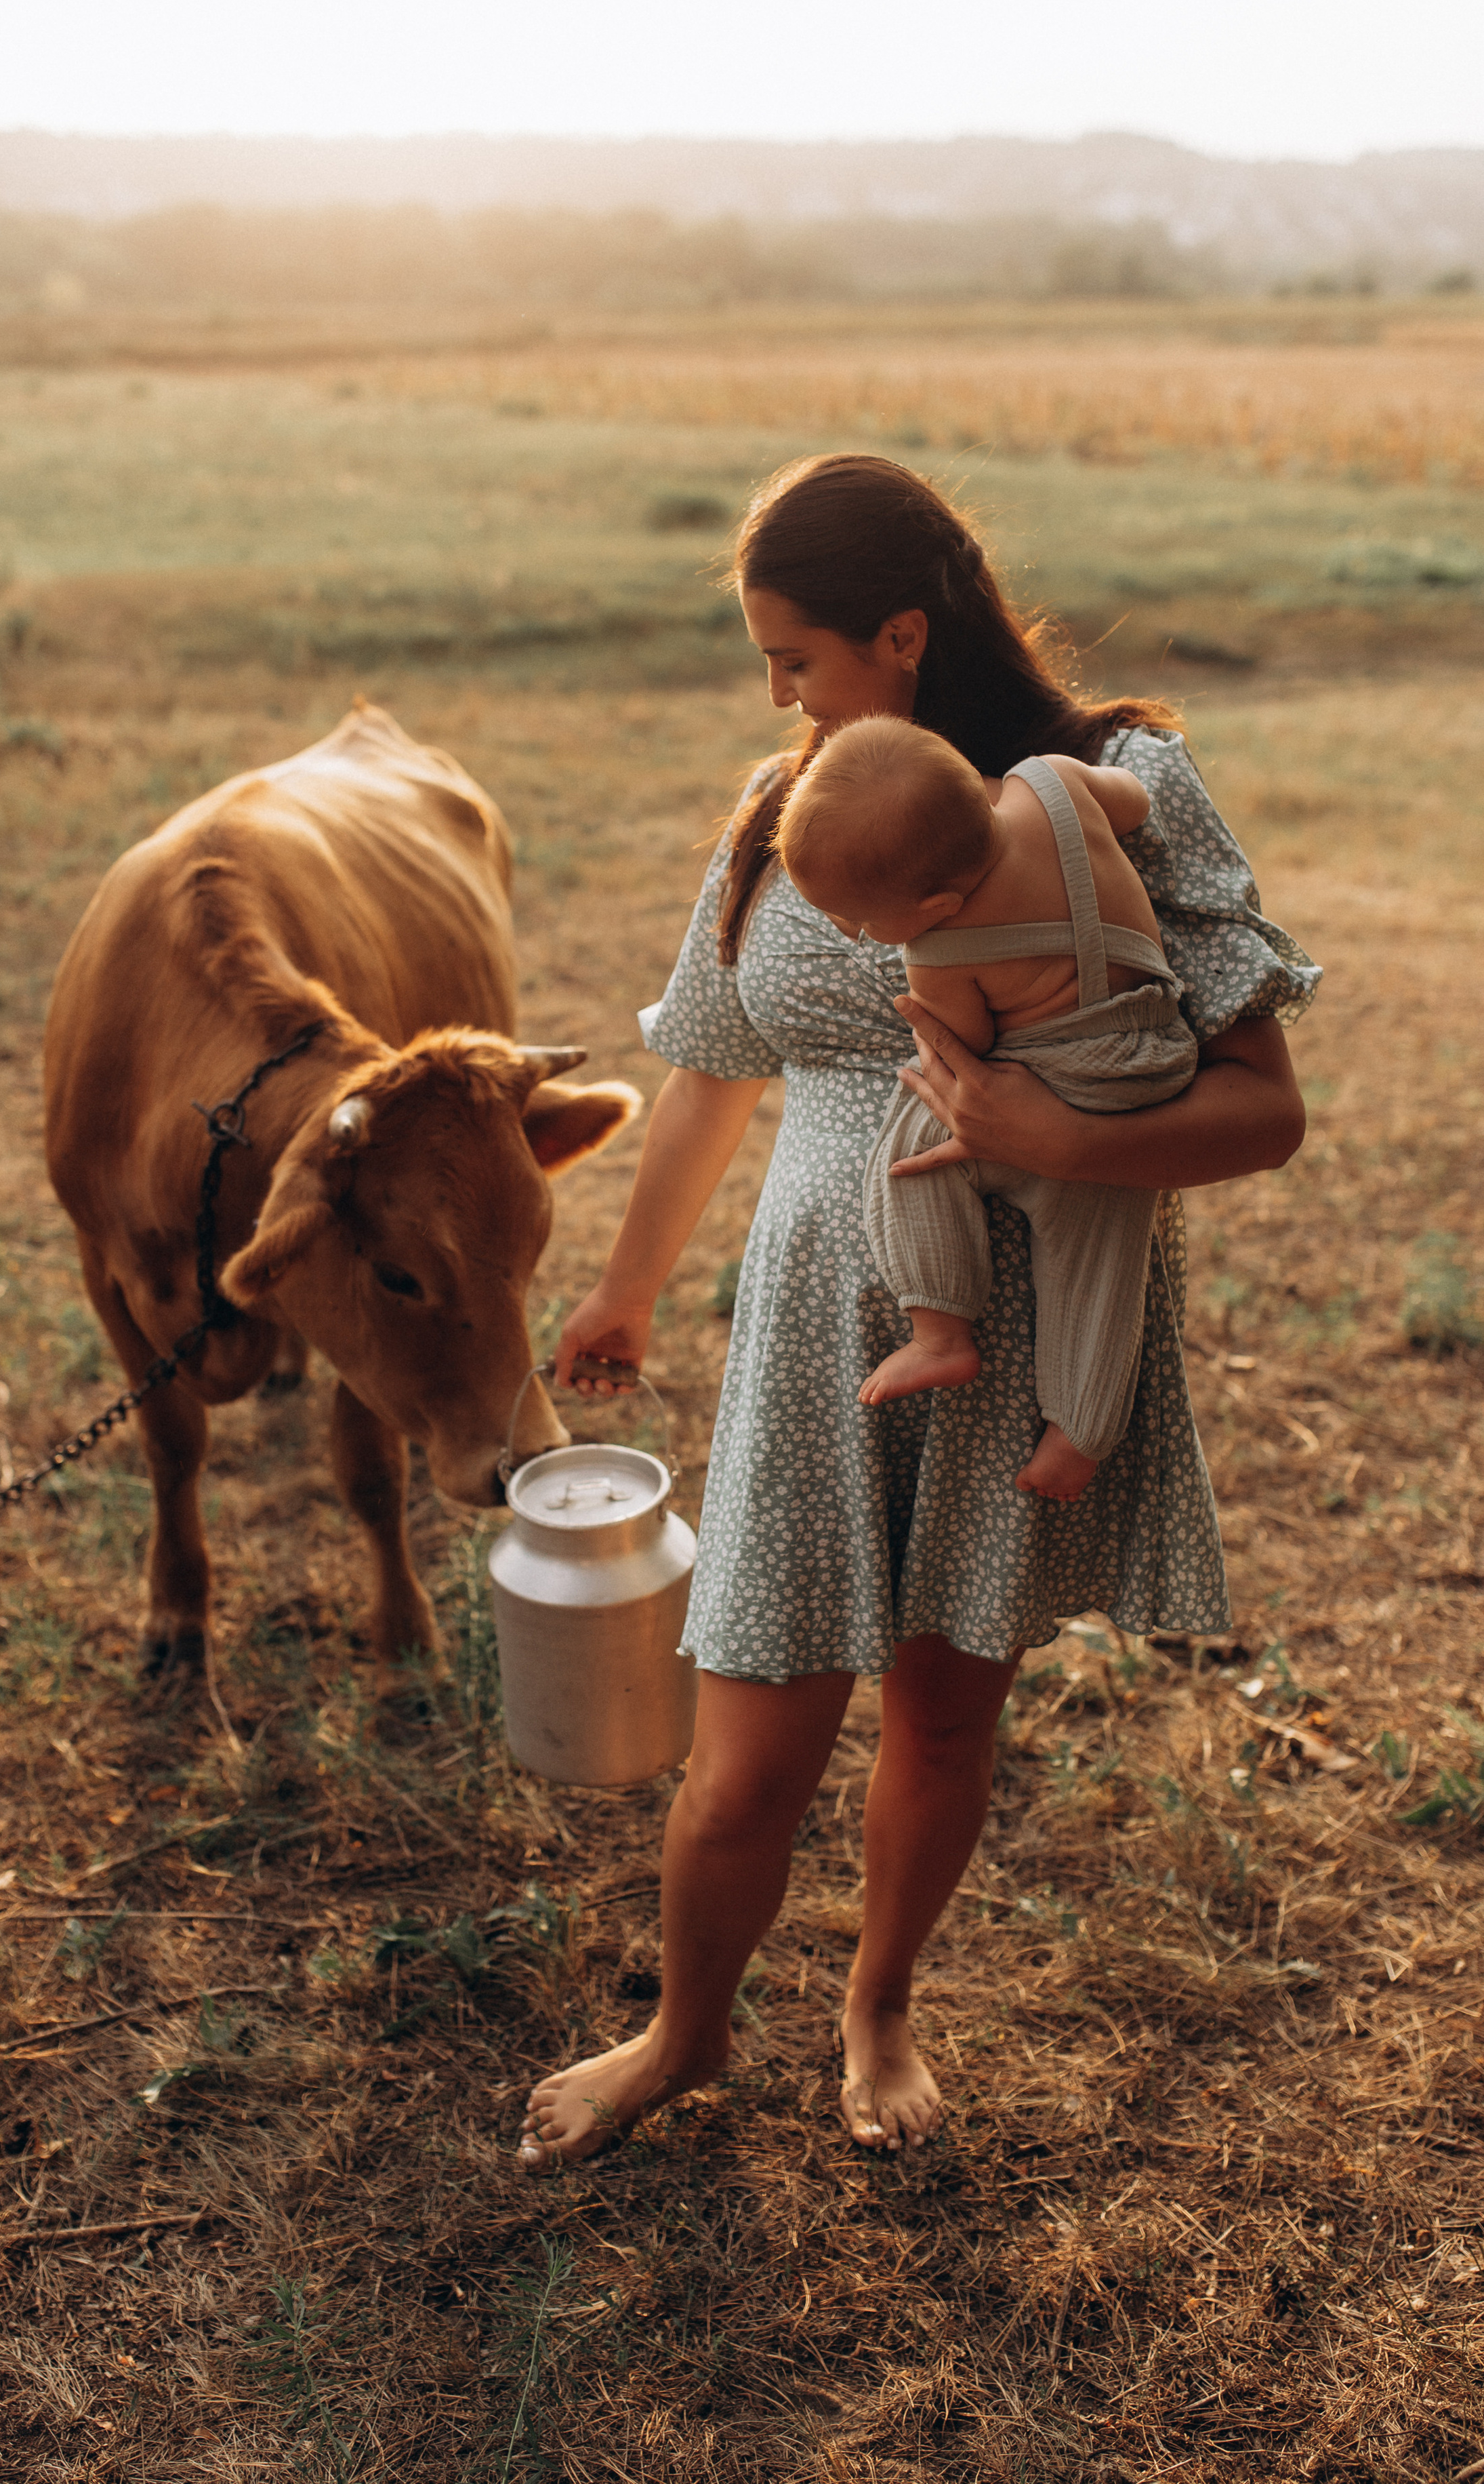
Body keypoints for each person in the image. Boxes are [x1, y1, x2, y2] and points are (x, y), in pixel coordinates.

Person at [518, 452, 1318, 2170]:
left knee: (945, 1709)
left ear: (898, 631)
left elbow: (1264, 1107)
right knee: (744, 1743)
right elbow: (707, 1074)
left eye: (792, 658)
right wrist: (624, 1284)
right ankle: (684, 2029)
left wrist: (1050, 1130)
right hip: (815, 1325)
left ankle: (877, 2001)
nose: (774, 695)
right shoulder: (781, 807)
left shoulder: (1117, 780)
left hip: (1025, 1317)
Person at [773, 714, 1198, 1504]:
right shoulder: (1053, 781)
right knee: (1099, 1256)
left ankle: (940, 1331)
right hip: (1153, 1059)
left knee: (907, 1152)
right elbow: (1134, 802)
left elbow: (962, 1051)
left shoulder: (943, 951)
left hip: (1061, 1074)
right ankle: (1080, 1436)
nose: (853, 933)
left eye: (864, 923)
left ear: (936, 904)